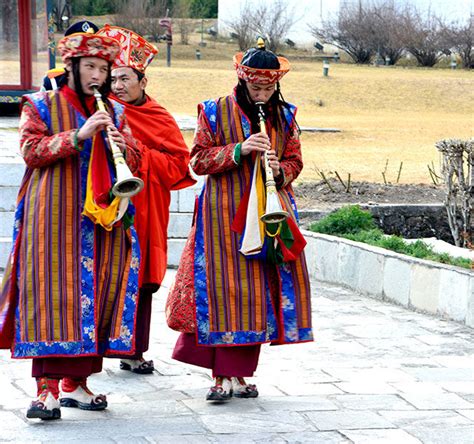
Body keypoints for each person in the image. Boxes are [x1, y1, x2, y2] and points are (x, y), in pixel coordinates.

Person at [0, 24, 142, 420]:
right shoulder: (40, 103)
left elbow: (138, 159)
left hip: (104, 218)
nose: (98, 76)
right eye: (91, 67)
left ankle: (76, 384)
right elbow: (31, 150)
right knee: (50, 297)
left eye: (103, 68)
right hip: (53, 218)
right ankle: (45, 390)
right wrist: (78, 135)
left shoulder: (115, 110)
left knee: (98, 292)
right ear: (74, 65)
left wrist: (123, 142)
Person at [168, 39, 313, 401]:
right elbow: (198, 161)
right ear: (242, 81)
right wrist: (239, 150)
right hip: (222, 215)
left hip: (268, 214)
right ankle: (220, 377)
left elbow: (296, 160)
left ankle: (239, 374)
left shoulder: (286, 115)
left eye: (268, 88)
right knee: (220, 290)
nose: (262, 94)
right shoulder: (214, 111)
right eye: (255, 87)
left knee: (255, 294)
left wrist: (282, 171)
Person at [96, 25, 195, 374]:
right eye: (113, 79)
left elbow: (178, 166)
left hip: (146, 209)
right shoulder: (102, 111)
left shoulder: (159, 117)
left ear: (143, 81)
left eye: (125, 78)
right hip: (106, 206)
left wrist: (135, 150)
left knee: (142, 280)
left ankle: (133, 351)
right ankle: (97, 348)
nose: (118, 86)